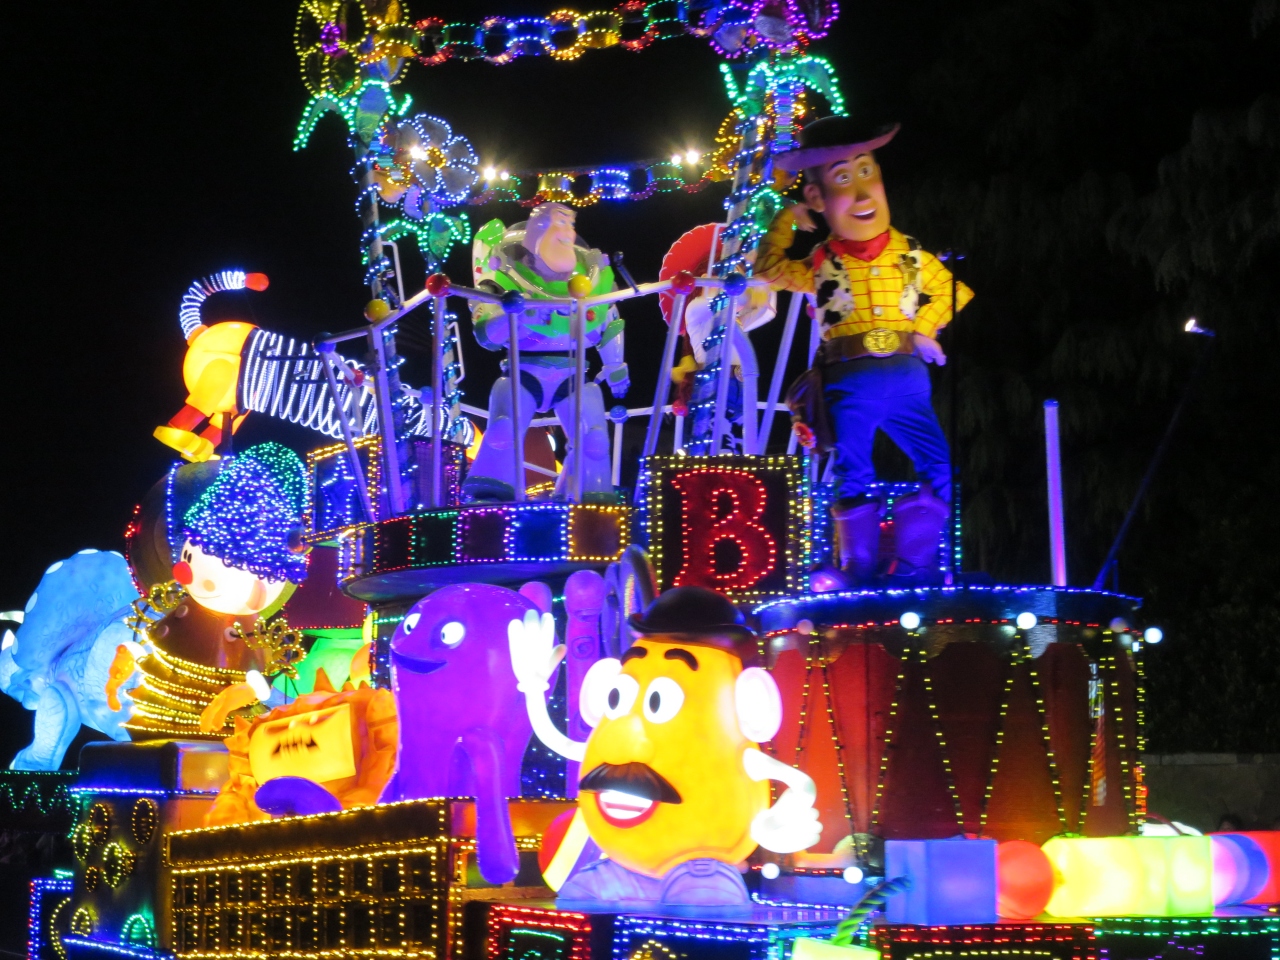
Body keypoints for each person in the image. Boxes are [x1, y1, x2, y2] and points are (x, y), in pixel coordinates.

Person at [756, 115, 973, 585]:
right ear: (816, 198)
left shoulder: (910, 253)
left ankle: (914, 567)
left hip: (907, 379)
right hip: (848, 383)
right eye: (842, 179)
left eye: (866, 172)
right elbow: (768, 268)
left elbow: (955, 290)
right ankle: (857, 568)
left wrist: (924, 329)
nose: (861, 194)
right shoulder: (820, 263)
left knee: (939, 465)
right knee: (853, 471)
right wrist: (786, 218)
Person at [463, 203, 628, 502]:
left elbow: (609, 323)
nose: (567, 232)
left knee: (594, 439)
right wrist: (515, 318)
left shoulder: (591, 281)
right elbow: (485, 334)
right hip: (523, 371)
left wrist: (616, 366)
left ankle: (588, 494)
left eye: (569, 225)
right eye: (559, 223)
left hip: (574, 374)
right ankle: (491, 491)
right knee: (502, 431)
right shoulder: (503, 280)